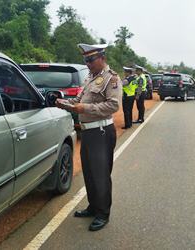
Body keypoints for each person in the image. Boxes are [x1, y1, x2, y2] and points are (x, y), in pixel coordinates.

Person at [55, 43, 122, 231]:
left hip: (101, 132)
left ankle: (103, 213)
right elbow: (79, 100)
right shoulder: (90, 78)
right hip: (87, 132)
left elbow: (113, 106)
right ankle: (93, 206)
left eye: (91, 59)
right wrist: (66, 103)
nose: (88, 63)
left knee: (101, 174)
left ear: (102, 58)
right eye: (86, 60)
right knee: (90, 173)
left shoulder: (111, 79)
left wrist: (84, 108)